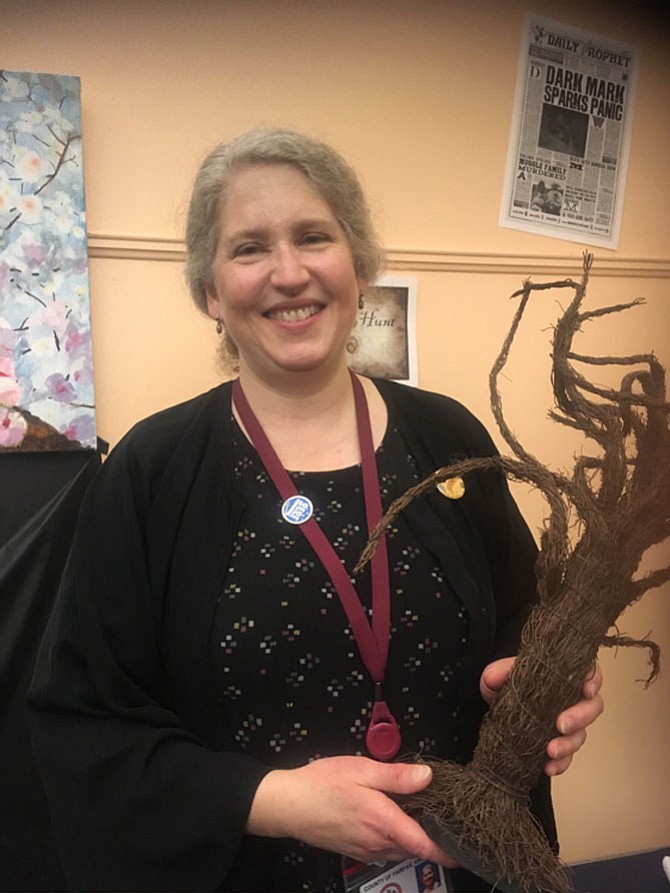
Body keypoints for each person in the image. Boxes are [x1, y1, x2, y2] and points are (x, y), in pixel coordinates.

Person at [27, 127, 604, 893]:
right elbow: (83, 723)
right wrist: (273, 799)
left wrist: (541, 682)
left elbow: (521, 617)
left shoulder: (447, 436)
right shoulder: (152, 470)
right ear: (210, 290)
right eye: (249, 248)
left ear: (358, 266)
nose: (289, 273)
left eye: (312, 237)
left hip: (463, 868)